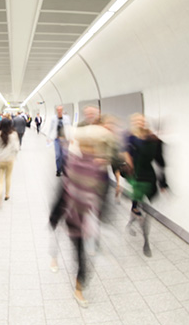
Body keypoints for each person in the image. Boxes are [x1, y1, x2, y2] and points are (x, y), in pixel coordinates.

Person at [49, 121, 111, 308]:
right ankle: (58, 261)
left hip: (89, 219)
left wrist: (102, 217)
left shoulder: (100, 168)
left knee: (85, 255)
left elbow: (102, 194)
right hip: (72, 216)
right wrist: (55, 216)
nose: (88, 147)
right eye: (85, 143)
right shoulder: (72, 162)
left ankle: (79, 286)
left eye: (91, 144)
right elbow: (63, 191)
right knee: (79, 253)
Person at [124, 113, 167, 257]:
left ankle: (133, 217)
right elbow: (124, 154)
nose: (140, 123)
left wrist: (163, 182)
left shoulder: (152, 139)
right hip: (135, 176)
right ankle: (146, 241)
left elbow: (160, 161)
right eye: (136, 120)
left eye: (142, 121)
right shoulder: (129, 137)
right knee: (139, 207)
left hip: (148, 176)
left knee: (144, 208)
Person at [0, 118, 20, 206]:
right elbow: (16, 148)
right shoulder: (14, 134)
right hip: (10, 159)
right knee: (8, 177)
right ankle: (7, 194)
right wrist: (14, 155)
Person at [45, 106, 72, 177]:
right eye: (58, 110)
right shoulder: (54, 118)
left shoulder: (67, 118)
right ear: (56, 110)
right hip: (57, 139)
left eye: (60, 110)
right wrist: (48, 137)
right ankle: (58, 170)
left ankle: (65, 169)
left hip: (65, 139)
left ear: (62, 110)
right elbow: (51, 128)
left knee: (65, 155)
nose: (59, 111)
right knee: (58, 155)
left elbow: (69, 127)